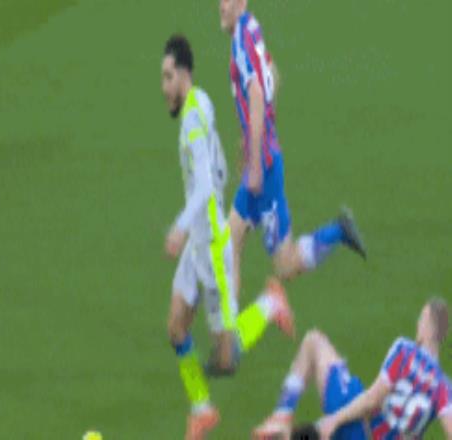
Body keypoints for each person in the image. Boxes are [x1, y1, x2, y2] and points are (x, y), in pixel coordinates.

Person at [161, 34, 295, 440]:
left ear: (184, 74)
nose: (164, 87)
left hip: (211, 246)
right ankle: (202, 409)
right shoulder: (200, 101)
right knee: (176, 328)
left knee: (227, 357)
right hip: (198, 243)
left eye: (168, 77)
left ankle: (270, 304)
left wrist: (179, 226)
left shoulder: (191, 121)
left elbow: (204, 185)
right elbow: (215, 167)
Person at [219, 0, 366, 297]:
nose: (221, 5)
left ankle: (338, 231)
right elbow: (273, 75)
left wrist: (256, 162)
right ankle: (228, 327)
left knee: (284, 265)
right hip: (263, 158)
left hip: (264, 168)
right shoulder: (251, 28)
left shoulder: (242, 41)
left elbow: (257, 93)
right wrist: (252, 136)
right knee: (229, 243)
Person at [253, 298, 452, 439]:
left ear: (427, 327)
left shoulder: (405, 352)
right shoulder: (444, 388)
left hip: (360, 430)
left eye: (421, 320)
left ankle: (282, 415)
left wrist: (333, 420)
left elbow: (372, 400)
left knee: (314, 342)